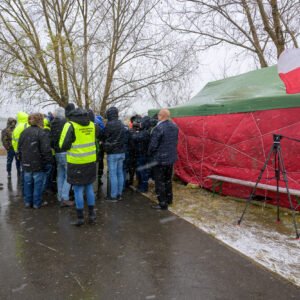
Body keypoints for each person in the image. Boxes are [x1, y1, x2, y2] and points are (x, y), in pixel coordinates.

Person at [59, 108, 100, 226]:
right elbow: (95, 138)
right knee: (89, 187)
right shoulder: (93, 125)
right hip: (90, 161)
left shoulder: (69, 125)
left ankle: (80, 218)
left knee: (78, 190)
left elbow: (63, 145)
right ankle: (92, 216)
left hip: (76, 161)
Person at [18, 113, 53, 209]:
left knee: (28, 184)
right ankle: (37, 203)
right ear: (40, 120)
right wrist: (49, 161)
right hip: (37, 164)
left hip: (27, 163)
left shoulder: (24, 132)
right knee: (38, 185)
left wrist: (21, 159)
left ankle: (28, 202)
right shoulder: (41, 133)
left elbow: (19, 148)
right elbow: (46, 150)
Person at [148, 109, 179, 210]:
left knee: (160, 181)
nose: (157, 116)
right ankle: (169, 199)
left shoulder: (159, 127)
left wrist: (150, 153)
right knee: (167, 180)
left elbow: (153, 145)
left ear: (161, 116)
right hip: (170, 158)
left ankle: (162, 203)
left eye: (158, 115)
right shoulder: (174, 126)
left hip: (160, 159)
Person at [50, 107, 72, 207]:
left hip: (57, 152)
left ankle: (60, 196)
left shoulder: (53, 123)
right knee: (69, 175)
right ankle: (65, 197)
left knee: (60, 175)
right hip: (65, 152)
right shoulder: (65, 123)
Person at [103, 107, 126, 201]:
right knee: (120, 173)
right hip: (121, 152)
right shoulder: (121, 124)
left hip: (112, 153)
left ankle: (113, 196)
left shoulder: (109, 124)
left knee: (113, 174)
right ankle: (119, 194)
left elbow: (104, 135)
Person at [130, 116, 151, 193]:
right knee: (140, 171)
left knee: (143, 172)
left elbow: (135, 138)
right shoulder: (144, 131)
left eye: (141, 123)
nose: (140, 124)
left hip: (142, 155)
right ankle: (141, 186)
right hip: (141, 154)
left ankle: (144, 188)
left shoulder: (145, 132)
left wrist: (133, 132)